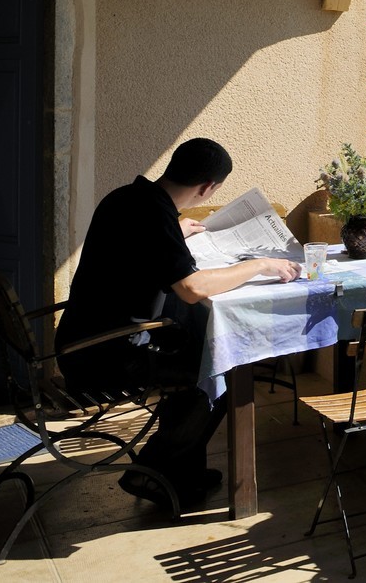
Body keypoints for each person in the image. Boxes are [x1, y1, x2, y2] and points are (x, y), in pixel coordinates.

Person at [57, 138, 301, 507]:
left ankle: (179, 473)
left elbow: (141, 243)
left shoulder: (127, 197)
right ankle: (154, 471)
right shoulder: (155, 216)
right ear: (207, 188)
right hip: (103, 358)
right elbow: (191, 287)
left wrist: (176, 230)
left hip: (81, 341)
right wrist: (260, 264)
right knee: (220, 368)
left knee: (196, 347)